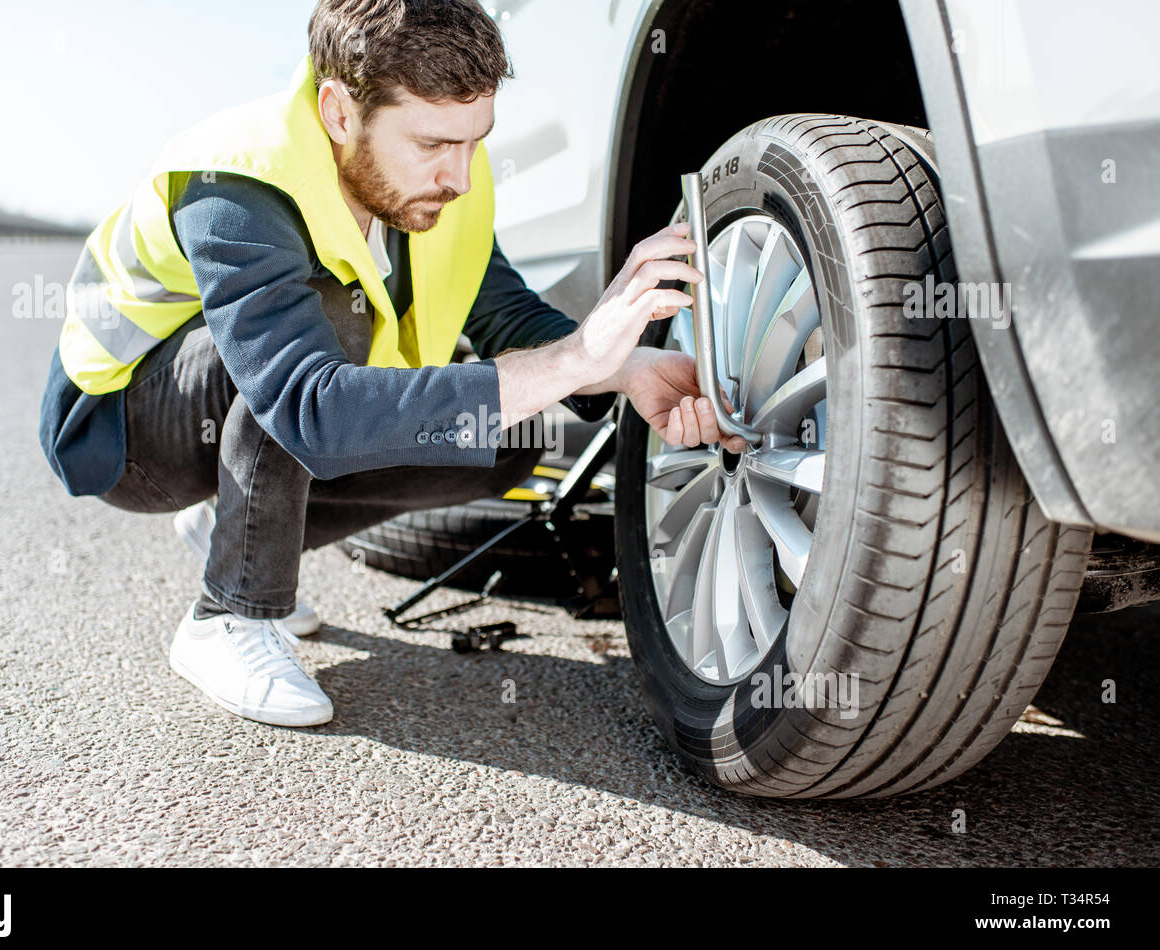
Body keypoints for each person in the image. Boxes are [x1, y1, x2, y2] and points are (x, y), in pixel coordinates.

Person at [39, 0, 746, 728]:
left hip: (262, 403)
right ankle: (229, 616)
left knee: (516, 430)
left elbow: (509, 320)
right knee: (333, 324)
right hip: (122, 427)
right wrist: (575, 354)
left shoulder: (442, 191)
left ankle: (235, 516)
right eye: (434, 143)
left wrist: (622, 368)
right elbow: (309, 407)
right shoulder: (237, 181)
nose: (461, 177)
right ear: (339, 112)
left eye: (475, 142)